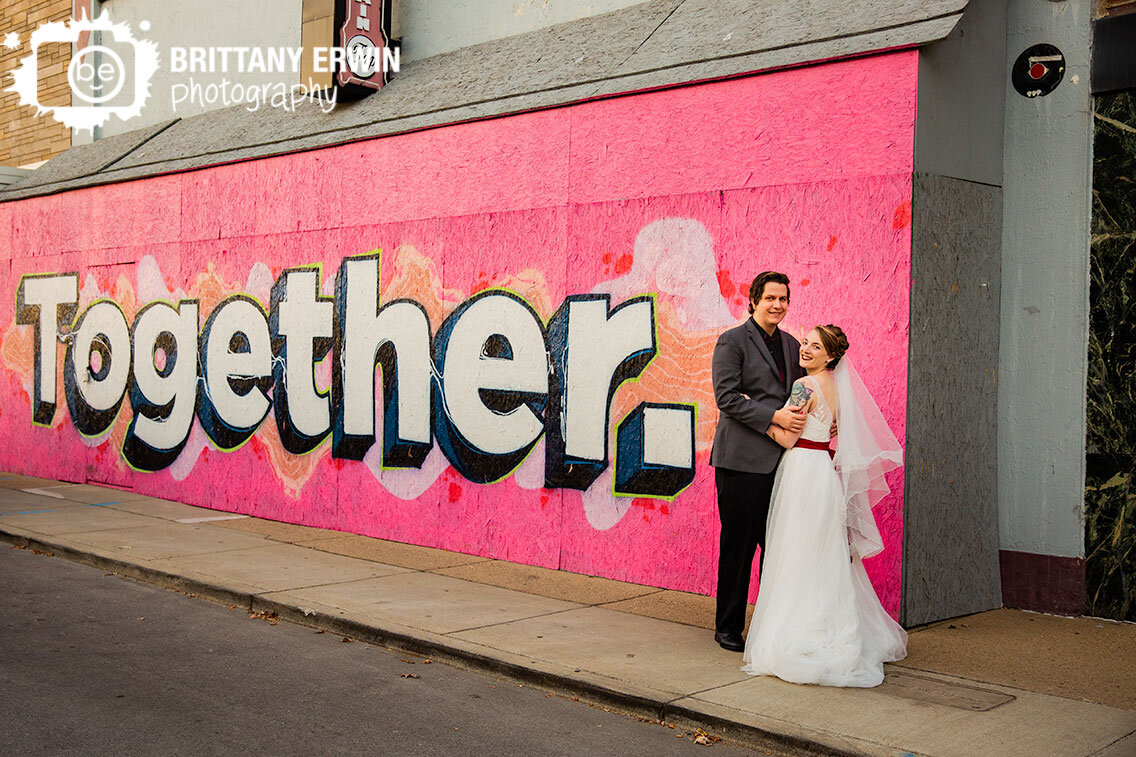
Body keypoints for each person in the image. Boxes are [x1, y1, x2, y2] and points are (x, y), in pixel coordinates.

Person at [742, 325, 906, 687]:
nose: (806, 349)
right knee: (823, 552)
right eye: (805, 342)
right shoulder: (840, 389)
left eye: (815, 347)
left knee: (797, 550)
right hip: (825, 475)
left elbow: (787, 436)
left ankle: (799, 629)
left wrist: (760, 418)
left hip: (802, 472)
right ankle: (832, 624)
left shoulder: (804, 386)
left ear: (831, 356)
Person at [709, 271, 807, 652]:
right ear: (753, 301)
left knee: (776, 546)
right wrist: (775, 419)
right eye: (770, 298)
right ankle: (728, 626)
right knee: (739, 546)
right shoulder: (732, 341)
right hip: (740, 462)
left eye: (783, 299)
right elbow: (727, 398)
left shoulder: (792, 344)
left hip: (781, 463)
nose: (777, 305)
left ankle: (768, 626)